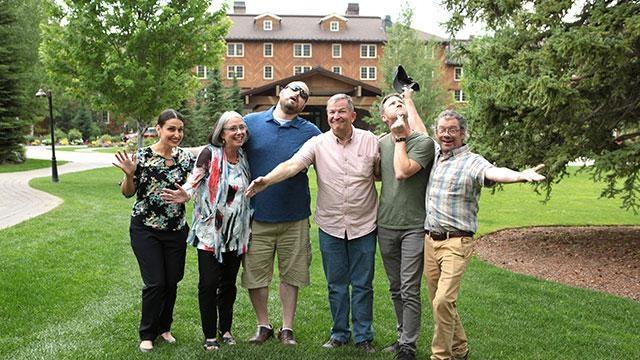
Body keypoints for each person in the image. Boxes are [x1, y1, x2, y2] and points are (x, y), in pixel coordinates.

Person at [246, 93, 379, 353]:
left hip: (364, 224)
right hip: (330, 225)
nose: (335, 116)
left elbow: (384, 169)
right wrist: (267, 180)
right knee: (336, 284)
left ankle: (364, 337)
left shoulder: (370, 141)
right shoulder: (318, 143)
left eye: (341, 111)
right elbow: (293, 164)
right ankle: (339, 333)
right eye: (331, 112)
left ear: (353, 115)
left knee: (363, 284)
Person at [424, 109, 545, 360]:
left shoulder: (472, 161)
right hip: (430, 241)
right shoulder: (435, 155)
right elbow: (415, 125)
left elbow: (494, 172)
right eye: (442, 130)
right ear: (436, 132)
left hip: (457, 242)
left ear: (463, 133)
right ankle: (460, 349)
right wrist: (407, 97)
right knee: (440, 301)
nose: (447, 135)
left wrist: (520, 176)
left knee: (443, 301)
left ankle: (441, 356)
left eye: (453, 130)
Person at [160, 111, 252, 351]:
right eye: (233, 128)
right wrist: (185, 194)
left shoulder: (243, 156)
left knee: (229, 285)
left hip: (235, 233)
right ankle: (210, 335)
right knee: (209, 284)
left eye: (242, 127)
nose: (239, 132)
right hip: (211, 233)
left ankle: (227, 330)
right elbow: (194, 180)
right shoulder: (210, 154)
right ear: (221, 133)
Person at [241, 81, 321, 345]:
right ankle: (263, 325)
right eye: (294, 90)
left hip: (294, 216)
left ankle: (287, 328)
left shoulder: (311, 132)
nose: (297, 96)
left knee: (292, 274)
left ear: (304, 105)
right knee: (256, 275)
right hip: (256, 215)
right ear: (281, 92)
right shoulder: (250, 123)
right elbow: (225, 150)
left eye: (304, 96)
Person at [113, 109, 195, 352]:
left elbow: (194, 188)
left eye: (180, 129)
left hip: (176, 228)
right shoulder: (142, 157)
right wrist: (129, 174)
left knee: (172, 282)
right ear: (158, 129)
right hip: (145, 228)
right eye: (171, 129)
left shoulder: (186, 159)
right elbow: (128, 193)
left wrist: (187, 195)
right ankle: (147, 334)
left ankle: (164, 328)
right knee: (156, 283)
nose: (176, 134)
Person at [377, 90, 434, 360]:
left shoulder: (422, 143)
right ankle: (401, 337)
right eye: (391, 104)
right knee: (395, 286)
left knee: (409, 287)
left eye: (401, 103)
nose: (397, 105)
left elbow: (401, 172)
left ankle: (408, 345)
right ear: (383, 116)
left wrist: (400, 137)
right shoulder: (380, 143)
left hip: (413, 226)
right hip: (386, 224)